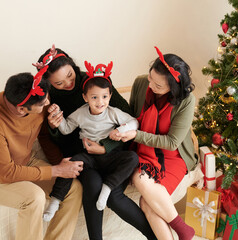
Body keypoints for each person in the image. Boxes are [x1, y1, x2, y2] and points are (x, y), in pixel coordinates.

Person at [36, 44, 157, 240]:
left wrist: (105, 147)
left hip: (113, 152)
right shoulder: (48, 99)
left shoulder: (94, 82)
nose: (67, 83)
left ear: (73, 67)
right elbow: (61, 136)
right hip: (84, 158)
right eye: (58, 83)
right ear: (50, 84)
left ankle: (155, 236)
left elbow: (128, 122)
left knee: (114, 198)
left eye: (69, 75)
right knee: (92, 184)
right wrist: (53, 127)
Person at [0, 66, 84, 240]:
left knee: (72, 189)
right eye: (43, 104)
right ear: (21, 109)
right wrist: (56, 171)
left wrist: (61, 166)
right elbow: (6, 172)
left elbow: (43, 136)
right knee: (34, 198)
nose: (48, 104)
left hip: (25, 161)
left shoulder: (37, 99)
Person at [116, 46, 197, 240]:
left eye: (158, 86)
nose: (151, 85)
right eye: (151, 78)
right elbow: (131, 116)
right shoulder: (141, 83)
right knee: (140, 180)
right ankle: (183, 230)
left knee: (147, 203)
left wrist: (136, 135)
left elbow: (172, 143)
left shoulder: (186, 100)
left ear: (174, 88)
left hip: (172, 156)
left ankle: (183, 230)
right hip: (142, 150)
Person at [43, 60, 139, 221]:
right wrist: (56, 120)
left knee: (132, 158)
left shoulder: (112, 110)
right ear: (85, 97)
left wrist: (118, 131)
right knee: (71, 163)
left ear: (110, 96)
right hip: (88, 157)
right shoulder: (79, 113)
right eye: (94, 97)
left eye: (104, 97)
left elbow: (134, 122)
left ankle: (107, 189)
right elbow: (66, 129)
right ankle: (55, 201)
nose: (100, 102)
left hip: (110, 154)